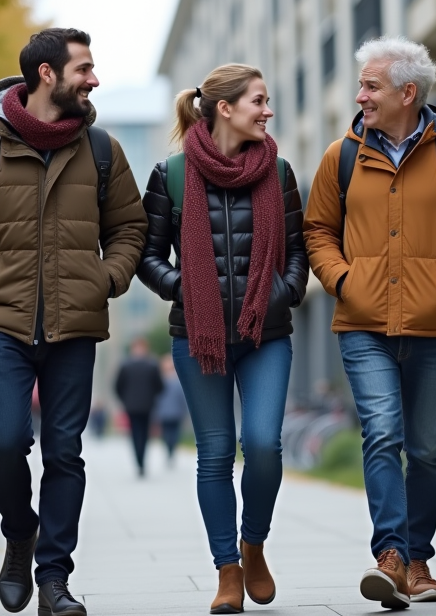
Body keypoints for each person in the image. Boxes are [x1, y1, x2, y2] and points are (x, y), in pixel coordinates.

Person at [0, 28, 147, 616]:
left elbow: (130, 230)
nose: (94, 79)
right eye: (84, 68)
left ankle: (54, 578)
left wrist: (105, 279)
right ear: (46, 75)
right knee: (4, 442)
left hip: (74, 326)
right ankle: (19, 533)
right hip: (1, 322)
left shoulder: (100, 150)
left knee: (64, 453)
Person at [303, 37, 436, 609]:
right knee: (382, 432)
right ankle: (389, 555)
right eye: (362, 86)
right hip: (362, 324)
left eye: (371, 86)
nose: (360, 95)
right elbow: (317, 230)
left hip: (434, 326)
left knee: (427, 449)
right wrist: (341, 281)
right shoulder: (341, 155)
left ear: (407, 93)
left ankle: (418, 559)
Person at [137, 64, 308, 614]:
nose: (268, 110)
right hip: (199, 335)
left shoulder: (278, 172)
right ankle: (227, 570)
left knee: (262, 444)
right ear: (226, 108)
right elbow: (147, 254)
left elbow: (299, 252)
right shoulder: (172, 173)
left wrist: (281, 293)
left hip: (266, 334)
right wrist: (184, 289)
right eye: (259, 100)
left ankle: (253, 543)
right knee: (214, 452)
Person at [114, 337, 164, 476]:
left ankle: (139, 461)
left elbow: (117, 387)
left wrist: (125, 400)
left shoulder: (125, 365)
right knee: (144, 433)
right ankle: (141, 461)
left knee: (135, 433)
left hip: (131, 406)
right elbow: (160, 386)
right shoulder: (152, 365)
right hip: (147, 405)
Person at [154, 353, 188, 465]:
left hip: (174, 412)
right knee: (168, 433)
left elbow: (182, 397)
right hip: (166, 412)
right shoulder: (161, 379)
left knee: (172, 433)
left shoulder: (176, 379)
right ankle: (170, 450)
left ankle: (170, 450)